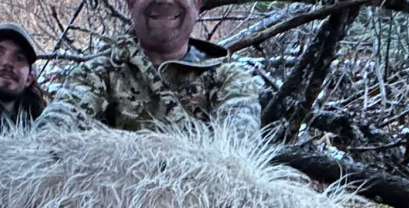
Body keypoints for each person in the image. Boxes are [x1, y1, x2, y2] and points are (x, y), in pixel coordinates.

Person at [36, 0, 262, 137]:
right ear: (130, 3)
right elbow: (51, 133)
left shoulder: (230, 79)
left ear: (198, 3)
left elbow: (238, 153)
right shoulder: (95, 75)